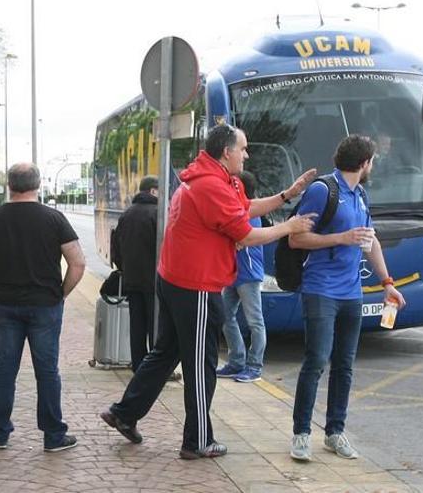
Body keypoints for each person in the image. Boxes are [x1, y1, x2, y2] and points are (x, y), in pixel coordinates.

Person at [100, 124, 317, 460]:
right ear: (226, 152)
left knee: (164, 354)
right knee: (201, 366)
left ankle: (124, 413)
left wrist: (287, 195)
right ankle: (198, 440)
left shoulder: (209, 179)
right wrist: (289, 226)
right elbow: (245, 234)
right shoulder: (211, 186)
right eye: (243, 149)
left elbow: (244, 208)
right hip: (196, 286)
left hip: (175, 280)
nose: (246, 155)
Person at [288, 134, 406, 462]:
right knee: (315, 361)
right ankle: (301, 434)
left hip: (351, 293)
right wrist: (340, 237)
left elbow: (370, 241)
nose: (373, 166)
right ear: (364, 163)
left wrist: (387, 283)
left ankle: (335, 433)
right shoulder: (323, 190)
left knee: (345, 365)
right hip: (320, 290)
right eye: (373, 161)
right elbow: (296, 239)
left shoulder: (361, 195)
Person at [0, 162, 86, 452]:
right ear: (38, 185)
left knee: (5, 368)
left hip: (7, 304)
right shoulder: (54, 218)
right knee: (47, 370)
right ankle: (53, 435)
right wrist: (61, 293)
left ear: (10, 185)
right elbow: (78, 262)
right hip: (45, 305)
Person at [216, 170, 267, 383]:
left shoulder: (250, 212)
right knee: (226, 317)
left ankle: (254, 366)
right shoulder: (237, 210)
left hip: (249, 275)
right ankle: (236, 361)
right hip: (233, 274)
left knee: (255, 322)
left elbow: (239, 239)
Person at [110, 175, 158, 372]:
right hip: (155, 281)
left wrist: (124, 269)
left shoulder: (126, 214)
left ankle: (138, 366)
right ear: (153, 191)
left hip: (131, 280)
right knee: (155, 325)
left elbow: (115, 248)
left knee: (137, 325)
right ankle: (154, 368)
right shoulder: (159, 214)